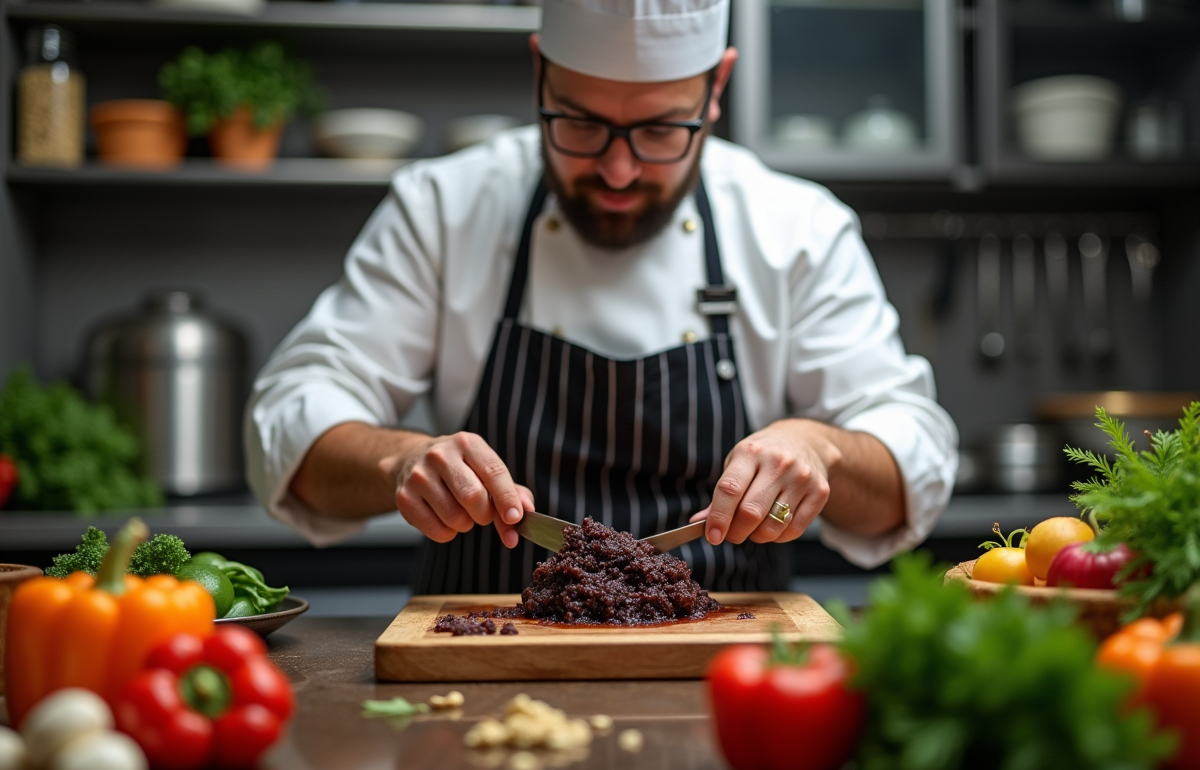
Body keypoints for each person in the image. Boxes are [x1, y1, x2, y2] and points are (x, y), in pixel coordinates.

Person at [245, 0, 958, 594]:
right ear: (538, 72)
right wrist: (397, 461)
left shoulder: (797, 228)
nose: (618, 170)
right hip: (480, 673)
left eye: (659, 130)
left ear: (716, 90)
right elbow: (291, 423)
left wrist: (822, 447)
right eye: (581, 123)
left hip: (728, 677)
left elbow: (909, 471)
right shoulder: (443, 207)